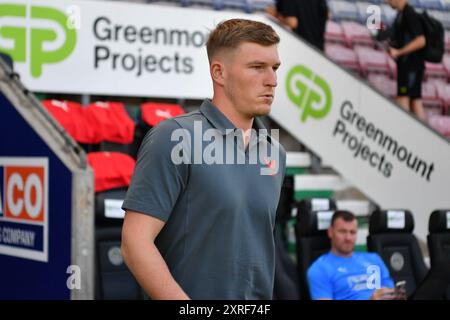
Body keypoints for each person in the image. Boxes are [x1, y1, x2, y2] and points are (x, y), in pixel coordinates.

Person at [121, 19, 286, 300]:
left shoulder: (274, 152)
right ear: (219, 73)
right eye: (257, 67)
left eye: (274, 68)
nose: (272, 80)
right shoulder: (174, 137)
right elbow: (134, 242)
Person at [307, 210, 402, 300]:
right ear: (330, 232)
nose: (348, 238)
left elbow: (389, 293)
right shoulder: (319, 269)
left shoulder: (373, 259)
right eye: (342, 231)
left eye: (352, 232)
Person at [387, 0, 427, 121]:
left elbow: (421, 41)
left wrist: (399, 52)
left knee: (403, 99)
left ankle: (404, 134)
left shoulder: (409, 14)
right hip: (410, 67)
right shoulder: (401, 15)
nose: (387, 1)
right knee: (415, 102)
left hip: (410, 68)